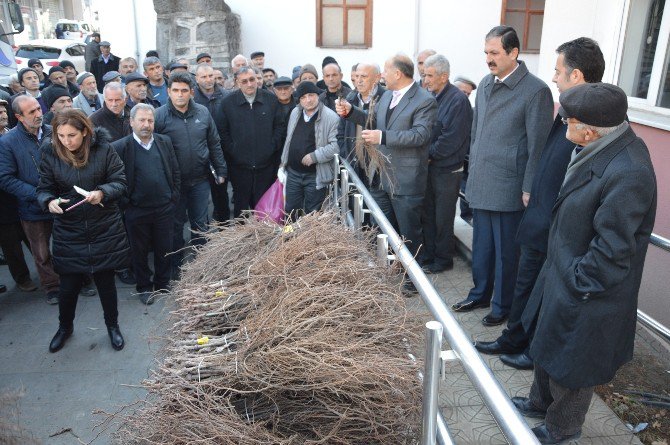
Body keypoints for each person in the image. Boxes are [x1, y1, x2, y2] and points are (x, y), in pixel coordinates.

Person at [513, 82, 658, 444]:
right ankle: (538, 402)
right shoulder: (599, 143)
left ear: (589, 130)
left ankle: (561, 429)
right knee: (547, 347)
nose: (565, 128)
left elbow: (612, 250)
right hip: (563, 270)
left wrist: (578, 281)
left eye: (568, 122)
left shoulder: (629, 171)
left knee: (572, 368)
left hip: (588, 289)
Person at [475, 37, 606, 371]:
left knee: (542, 289)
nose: (553, 77)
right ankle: (514, 337)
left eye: (558, 71)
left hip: (558, 220)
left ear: (575, 75)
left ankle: (532, 348)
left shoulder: (594, 117)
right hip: (540, 213)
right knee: (526, 279)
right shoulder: (568, 108)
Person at [451, 26, 553, 326]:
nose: (488, 59)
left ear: (513, 53)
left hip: (511, 187)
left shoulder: (536, 91)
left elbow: (539, 146)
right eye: (486, 53)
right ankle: (480, 293)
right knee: (481, 247)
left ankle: (502, 305)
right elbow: (476, 133)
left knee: (507, 254)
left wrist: (528, 187)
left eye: (494, 53)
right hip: (481, 182)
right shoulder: (483, 84)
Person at [37, 109, 129, 353]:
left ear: (85, 132)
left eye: (72, 135)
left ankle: (113, 326)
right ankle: (64, 327)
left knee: (106, 285)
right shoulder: (50, 152)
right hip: (70, 230)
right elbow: (43, 187)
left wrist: (102, 192)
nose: (67, 141)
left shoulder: (104, 150)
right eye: (61, 136)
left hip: (103, 228)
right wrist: (48, 201)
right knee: (67, 289)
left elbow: (120, 182)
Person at [336, 54, 437, 259]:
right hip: (381, 178)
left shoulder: (425, 100)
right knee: (384, 230)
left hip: (405, 180)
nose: (382, 75)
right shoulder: (388, 96)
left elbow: (420, 135)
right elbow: (372, 120)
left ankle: (411, 282)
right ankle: (389, 273)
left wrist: (382, 137)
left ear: (398, 74)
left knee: (408, 235)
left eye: (385, 70)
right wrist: (350, 112)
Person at [153, 72, 227, 275]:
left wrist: (220, 169)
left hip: (200, 180)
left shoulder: (202, 113)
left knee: (200, 223)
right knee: (175, 225)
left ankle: (200, 263)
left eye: (184, 91)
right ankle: (175, 265)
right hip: (173, 183)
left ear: (191, 92)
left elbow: (214, 142)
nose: (179, 95)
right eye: (175, 90)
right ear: (168, 92)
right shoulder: (159, 116)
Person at [112, 104, 180, 304]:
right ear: (131, 122)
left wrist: (173, 196)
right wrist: (126, 204)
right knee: (139, 251)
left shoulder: (164, 141)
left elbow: (175, 170)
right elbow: (116, 179)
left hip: (164, 207)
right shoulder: (120, 147)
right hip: (137, 210)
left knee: (164, 247)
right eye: (141, 120)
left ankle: (162, 283)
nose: (146, 125)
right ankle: (143, 286)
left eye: (150, 120)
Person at [0, 96, 60, 304]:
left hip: (61, 201)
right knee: (41, 251)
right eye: (31, 112)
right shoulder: (7, 142)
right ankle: (52, 287)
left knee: (66, 245)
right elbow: (6, 179)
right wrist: (39, 195)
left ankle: (78, 279)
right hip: (32, 207)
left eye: (38, 109)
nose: (38, 114)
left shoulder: (54, 131)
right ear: (18, 117)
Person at [420, 54, 472, 274]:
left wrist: (427, 155)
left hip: (447, 170)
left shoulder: (458, 100)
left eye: (430, 76)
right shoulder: (433, 96)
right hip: (431, 167)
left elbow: (450, 140)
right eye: (424, 75)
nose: (426, 80)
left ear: (444, 76)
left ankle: (443, 260)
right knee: (429, 214)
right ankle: (430, 255)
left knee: (443, 217)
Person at [220, 66, 285, 217]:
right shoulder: (227, 103)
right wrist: (233, 150)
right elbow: (222, 132)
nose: (249, 84)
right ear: (237, 82)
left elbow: (279, 127)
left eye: (252, 79)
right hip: (239, 168)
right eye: (244, 81)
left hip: (266, 167)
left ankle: (264, 240)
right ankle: (243, 240)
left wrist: (271, 147)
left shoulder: (271, 100)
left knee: (264, 209)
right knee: (241, 211)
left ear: (257, 79)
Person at [281, 81, 339, 219]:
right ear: (299, 100)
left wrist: (314, 156)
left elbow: (336, 146)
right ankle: (290, 238)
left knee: (312, 214)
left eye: (311, 95)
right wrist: (283, 163)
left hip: (315, 176)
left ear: (318, 96)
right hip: (293, 173)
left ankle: (308, 240)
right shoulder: (295, 112)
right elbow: (289, 139)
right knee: (290, 212)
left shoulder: (331, 117)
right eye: (303, 97)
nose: (308, 100)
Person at [0, 99, 38, 293]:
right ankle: (22, 277)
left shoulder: (13, 135)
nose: (3, 114)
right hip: (3, 205)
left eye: (3, 110)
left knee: (33, 239)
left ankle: (47, 270)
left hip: (23, 198)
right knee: (11, 244)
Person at [193, 63, 230, 223]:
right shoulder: (192, 98)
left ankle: (224, 226)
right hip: (199, 152)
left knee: (221, 193)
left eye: (210, 76)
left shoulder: (226, 96)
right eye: (203, 76)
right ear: (196, 78)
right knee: (199, 197)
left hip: (223, 150)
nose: (208, 80)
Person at [337, 62, 385, 163]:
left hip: (377, 165)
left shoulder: (386, 99)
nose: (359, 81)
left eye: (363, 76)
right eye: (356, 76)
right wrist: (346, 154)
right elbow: (340, 132)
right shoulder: (350, 99)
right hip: (354, 164)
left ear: (377, 78)